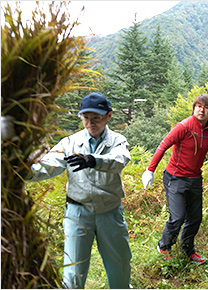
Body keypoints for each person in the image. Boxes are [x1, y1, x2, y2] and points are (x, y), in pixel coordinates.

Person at [29, 92, 132, 289]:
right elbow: (48, 166)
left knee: (119, 266)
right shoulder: (70, 143)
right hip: (77, 213)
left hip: (109, 211)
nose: (91, 122)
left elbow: (120, 159)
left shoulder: (117, 140)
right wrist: (19, 170)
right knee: (73, 272)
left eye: (96, 117)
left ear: (109, 116)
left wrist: (93, 160)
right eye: (86, 117)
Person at [141, 94, 208, 264]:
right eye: (198, 106)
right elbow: (163, 146)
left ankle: (187, 248)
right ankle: (164, 246)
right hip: (175, 177)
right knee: (178, 216)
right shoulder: (183, 127)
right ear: (194, 108)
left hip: (195, 179)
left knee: (195, 217)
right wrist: (150, 170)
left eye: (206, 107)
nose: (202, 109)